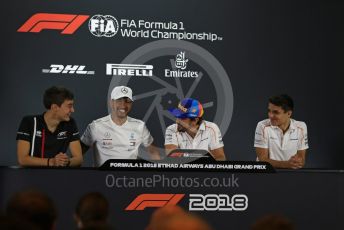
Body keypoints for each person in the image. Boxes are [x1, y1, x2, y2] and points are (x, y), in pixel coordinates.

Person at [81, 86, 160, 166]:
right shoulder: (96, 126)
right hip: (103, 177)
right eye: (119, 100)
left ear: (131, 103)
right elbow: (78, 154)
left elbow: (153, 152)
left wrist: (158, 171)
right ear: (111, 102)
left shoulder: (139, 126)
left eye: (127, 101)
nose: (123, 105)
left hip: (129, 177)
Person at [16, 86, 83, 167]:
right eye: (69, 106)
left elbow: (79, 159)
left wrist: (66, 161)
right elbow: (22, 159)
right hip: (31, 176)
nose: (72, 110)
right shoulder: (29, 122)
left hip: (57, 176)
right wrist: (51, 162)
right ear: (54, 107)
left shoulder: (70, 123)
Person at [254, 94, 309, 169]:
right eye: (269, 111)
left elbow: (301, 160)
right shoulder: (262, 126)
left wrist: (298, 162)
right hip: (266, 174)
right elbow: (262, 160)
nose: (270, 115)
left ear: (289, 113)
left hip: (290, 175)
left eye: (276, 112)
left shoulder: (301, 127)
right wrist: (287, 164)